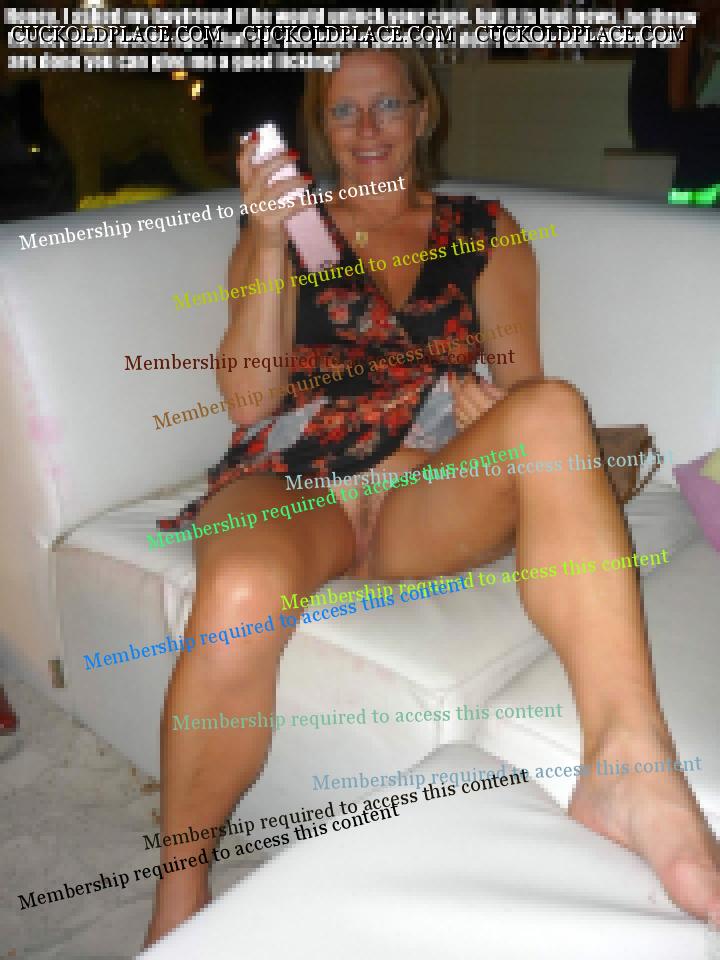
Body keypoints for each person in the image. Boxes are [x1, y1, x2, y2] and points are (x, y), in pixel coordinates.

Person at [144, 49, 720, 946]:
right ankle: (178, 893)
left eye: (388, 105)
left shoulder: (484, 229)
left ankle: (629, 765)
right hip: (298, 484)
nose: (368, 129)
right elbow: (250, 403)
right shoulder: (287, 227)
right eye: (343, 111)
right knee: (241, 588)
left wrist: (490, 406)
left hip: (426, 493)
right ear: (320, 128)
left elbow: (526, 389)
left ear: (424, 113)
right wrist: (265, 237)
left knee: (553, 411)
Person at [629, 1, 720, 189]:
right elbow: (678, 102)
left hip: (653, 130)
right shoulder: (681, 21)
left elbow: (689, 94)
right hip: (662, 133)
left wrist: (712, 49)